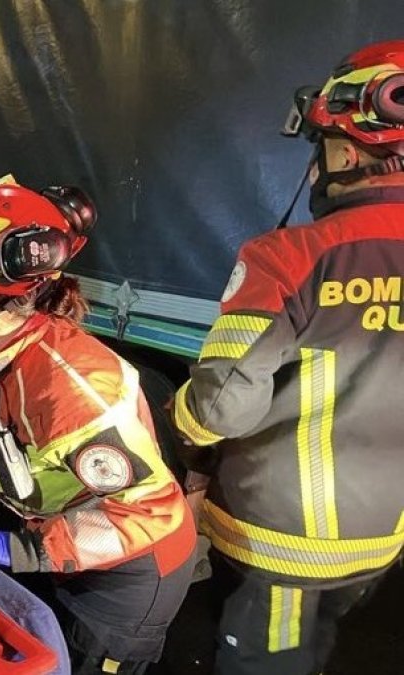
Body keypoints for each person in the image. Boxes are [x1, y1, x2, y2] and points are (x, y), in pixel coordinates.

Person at [172, 40, 404, 675]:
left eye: (322, 149)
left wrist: (180, 423)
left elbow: (218, 408)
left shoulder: (289, 256)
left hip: (278, 549)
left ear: (351, 150)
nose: (315, 170)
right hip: (383, 539)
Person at [0, 177, 196, 674]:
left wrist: (18, 549)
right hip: (59, 540)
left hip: (125, 579)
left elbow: (145, 515)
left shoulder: (74, 391)